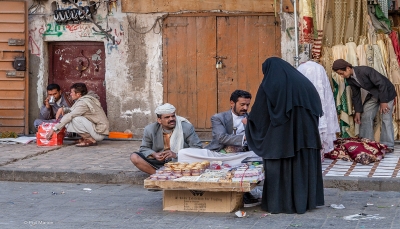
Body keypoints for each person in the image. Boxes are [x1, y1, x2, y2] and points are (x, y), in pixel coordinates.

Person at [246, 57, 324, 214]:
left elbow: (259, 115)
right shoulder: (305, 84)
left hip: (280, 140)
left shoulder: (271, 84)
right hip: (306, 138)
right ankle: (304, 203)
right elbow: (317, 111)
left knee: (280, 168)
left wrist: (249, 125)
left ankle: (280, 204)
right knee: (301, 168)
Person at [178, 90, 259, 166]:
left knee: (259, 155)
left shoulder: (251, 118)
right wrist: (245, 137)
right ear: (232, 103)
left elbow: (259, 137)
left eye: (247, 105)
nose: (245, 108)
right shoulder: (219, 118)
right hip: (218, 154)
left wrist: (251, 127)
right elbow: (221, 137)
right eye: (242, 105)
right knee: (183, 153)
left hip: (241, 155)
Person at [332, 59, 397, 152]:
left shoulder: (365, 70)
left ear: (348, 68)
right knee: (365, 115)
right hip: (374, 94)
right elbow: (356, 95)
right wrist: (358, 112)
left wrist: (384, 101)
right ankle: (367, 143)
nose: (341, 76)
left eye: (341, 73)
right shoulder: (349, 79)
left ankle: (388, 146)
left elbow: (382, 84)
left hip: (387, 93)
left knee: (386, 118)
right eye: (339, 74)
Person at [130, 103, 203, 175]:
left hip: (181, 162)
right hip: (159, 162)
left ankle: (169, 175)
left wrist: (177, 154)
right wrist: (155, 154)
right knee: (134, 157)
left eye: (173, 116)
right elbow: (144, 148)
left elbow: (197, 148)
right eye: (167, 117)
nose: (171, 119)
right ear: (159, 120)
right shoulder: (150, 129)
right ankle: (159, 175)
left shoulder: (186, 127)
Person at [297, 61, 340, 161]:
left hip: (307, 108)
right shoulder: (319, 69)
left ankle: (311, 156)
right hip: (320, 105)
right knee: (320, 126)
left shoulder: (301, 70)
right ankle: (319, 155)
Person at [45, 83, 109, 147]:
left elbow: (71, 115)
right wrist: (63, 109)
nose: (70, 94)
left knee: (74, 119)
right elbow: (73, 110)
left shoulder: (83, 103)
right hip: (96, 131)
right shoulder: (83, 100)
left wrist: (53, 129)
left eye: (72, 92)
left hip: (99, 133)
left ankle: (90, 139)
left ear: (78, 94)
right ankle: (85, 138)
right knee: (69, 118)